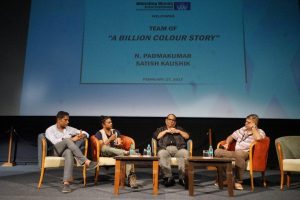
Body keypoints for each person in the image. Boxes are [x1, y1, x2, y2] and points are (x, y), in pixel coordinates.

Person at [45, 111, 99, 193]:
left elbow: (85, 133)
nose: (68, 122)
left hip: (65, 151)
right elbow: (55, 142)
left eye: (68, 120)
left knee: (68, 152)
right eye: (65, 120)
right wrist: (72, 139)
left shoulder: (69, 128)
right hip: (54, 151)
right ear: (59, 120)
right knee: (67, 140)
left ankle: (66, 184)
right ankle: (86, 161)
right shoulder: (50, 130)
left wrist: (82, 135)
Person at [214, 114, 266, 190]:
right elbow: (231, 136)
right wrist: (227, 143)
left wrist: (254, 128)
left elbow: (258, 138)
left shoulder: (260, 132)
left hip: (246, 153)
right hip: (235, 153)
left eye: (248, 122)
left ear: (254, 123)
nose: (246, 123)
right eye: (246, 121)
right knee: (217, 151)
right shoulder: (242, 129)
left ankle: (236, 181)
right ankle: (231, 180)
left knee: (237, 154)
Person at [94, 116, 138, 188]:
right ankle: (126, 152)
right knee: (105, 148)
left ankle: (130, 177)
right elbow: (100, 147)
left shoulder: (115, 131)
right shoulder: (99, 133)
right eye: (109, 122)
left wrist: (119, 144)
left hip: (116, 152)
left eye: (111, 122)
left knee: (127, 157)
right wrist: (110, 139)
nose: (111, 124)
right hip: (105, 153)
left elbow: (119, 144)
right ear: (103, 124)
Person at [153, 114, 190, 187]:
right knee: (161, 154)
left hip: (178, 149)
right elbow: (156, 136)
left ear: (175, 122)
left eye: (173, 120)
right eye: (170, 119)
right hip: (165, 149)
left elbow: (187, 136)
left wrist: (179, 131)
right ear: (166, 121)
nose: (171, 122)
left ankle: (182, 178)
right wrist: (166, 131)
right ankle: (169, 177)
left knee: (185, 153)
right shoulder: (161, 129)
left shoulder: (179, 129)